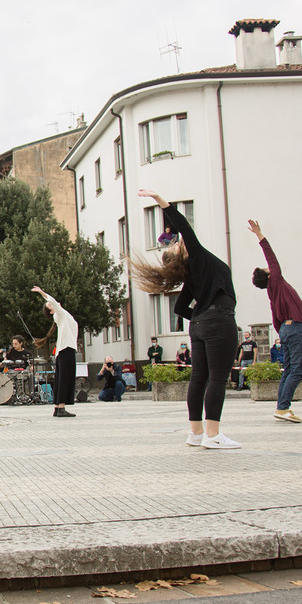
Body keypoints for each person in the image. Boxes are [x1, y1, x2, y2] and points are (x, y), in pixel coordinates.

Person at [129, 190, 241, 450]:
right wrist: (160, 201)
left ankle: (196, 433)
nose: (179, 242)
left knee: (199, 377)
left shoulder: (192, 276)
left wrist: (201, 317)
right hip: (218, 320)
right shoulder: (198, 257)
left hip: (200, 325)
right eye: (178, 245)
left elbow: (180, 307)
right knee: (218, 378)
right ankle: (213, 435)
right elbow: (183, 226)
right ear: (184, 254)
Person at [248, 220, 302, 423]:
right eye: (267, 268)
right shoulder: (277, 281)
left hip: (286, 329)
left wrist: (283, 331)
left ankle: (282, 407)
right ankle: (283, 408)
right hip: (294, 328)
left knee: (289, 370)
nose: (269, 267)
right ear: (268, 275)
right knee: (297, 371)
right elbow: (271, 258)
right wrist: (259, 235)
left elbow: (275, 319)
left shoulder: (273, 293)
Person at [32, 287, 77, 417]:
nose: (53, 304)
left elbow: (54, 302)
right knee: (65, 379)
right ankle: (61, 407)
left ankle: (58, 407)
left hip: (64, 350)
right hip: (66, 349)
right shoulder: (59, 313)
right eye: (50, 305)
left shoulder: (60, 314)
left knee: (61, 379)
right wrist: (42, 293)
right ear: (51, 311)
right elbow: (52, 300)